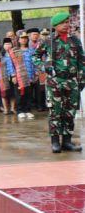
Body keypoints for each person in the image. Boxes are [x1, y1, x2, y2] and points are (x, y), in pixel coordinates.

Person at [33, 12, 85, 153]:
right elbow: (35, 56)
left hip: (72, 81)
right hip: (55, 81)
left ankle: (67, 142)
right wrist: (44, 67)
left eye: (68, 22)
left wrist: (82, 78)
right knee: (55, 112)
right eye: (63, 22)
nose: (66, 24)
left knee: (70, 112)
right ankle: (55, 142)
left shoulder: (75, 40)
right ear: (55, 25)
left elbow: (82, 60)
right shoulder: (48, 41)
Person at [13, 31, 35, 119]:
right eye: (22, 38)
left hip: (29, 75)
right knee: (19, 94)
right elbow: (10, 64)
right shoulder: (14, 51)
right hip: (19, 76)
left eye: (25, 38)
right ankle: (20, 110)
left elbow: (34, 62)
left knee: (28, 93)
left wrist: (35, 73)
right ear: (18, 39)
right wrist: (13, 75)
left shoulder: (31, 50)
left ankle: (27, 110)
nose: (24, 40)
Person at [0, 37, 20, 114]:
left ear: (12, 44)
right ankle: (6, 109)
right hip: (3, 76)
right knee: (4, 93)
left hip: (14, 75)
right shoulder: (1, 55)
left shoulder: (15, 53)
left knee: (13, 92)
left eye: (9, 44)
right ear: (3, 45)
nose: (7, 45)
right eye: (6, 44)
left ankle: (13, 108)